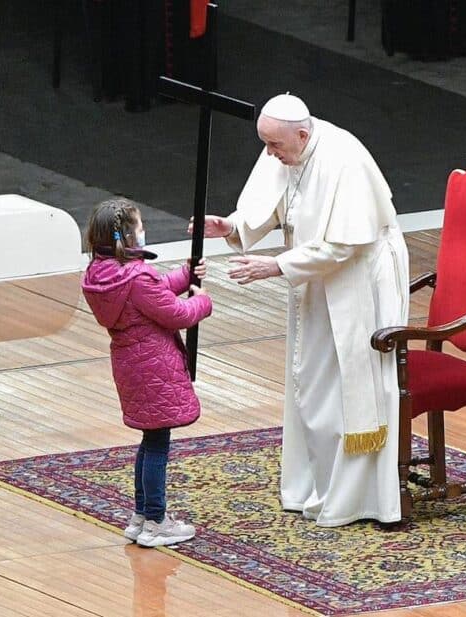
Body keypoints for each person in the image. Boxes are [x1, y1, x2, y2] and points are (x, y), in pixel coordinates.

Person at [195, 94, 409, 527]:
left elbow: (345, 243)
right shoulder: (289, 149)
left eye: (275, 146)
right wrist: (233, 226)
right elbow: (280, 203)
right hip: (316, 275)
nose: (270, 156)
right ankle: (314, 484)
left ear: (303, 134)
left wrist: (276, 265)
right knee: (311, 378)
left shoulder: (343, 160)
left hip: (357, 280)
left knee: (346, 382)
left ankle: (358, 498)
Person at [82, 197, 212, 546]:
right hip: (154, 365)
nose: (145, 231)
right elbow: (176, 314)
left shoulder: (103, 274)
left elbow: (151, 293)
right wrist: (202, 300)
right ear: (127, 237)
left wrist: (185, 276)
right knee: (157, 446)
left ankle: (141, 515)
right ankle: (156, 520)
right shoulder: (136, 278)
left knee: (149, 440)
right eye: (140, 227)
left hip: (129, 365)